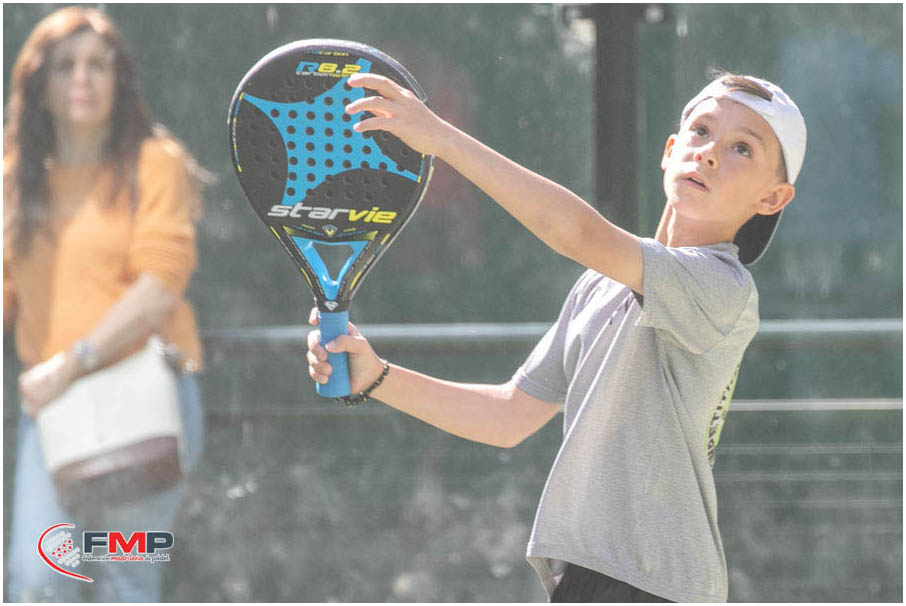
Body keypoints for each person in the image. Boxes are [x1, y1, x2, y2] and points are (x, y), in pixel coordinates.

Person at [305, 69, 806, 602]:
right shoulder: (600, 285)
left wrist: (442, 139)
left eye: (742, 149)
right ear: (669, 150)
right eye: (701, 131)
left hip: (654, 586)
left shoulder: (724, 287)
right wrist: (376, 377)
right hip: (588, 577)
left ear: (772, 198)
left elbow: (573, 231)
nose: (709, 154)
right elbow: (508, 415)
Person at [3, 6, 208, 602]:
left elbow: (160, 285)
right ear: (40, 85)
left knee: (128, 578)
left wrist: (73, 363)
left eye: (98, 65)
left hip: (143, 402)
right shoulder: (14, 179)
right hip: (53, 410)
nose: (83, 79)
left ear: (119, 80)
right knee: (39, 577)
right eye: (66, 66)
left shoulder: (154, 162)